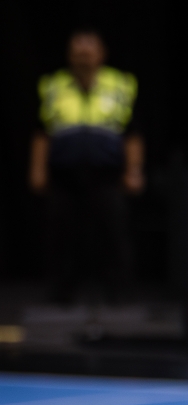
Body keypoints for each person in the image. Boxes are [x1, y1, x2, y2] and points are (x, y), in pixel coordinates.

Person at [29, 30, 143, 304]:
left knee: (113, 234)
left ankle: (118, 294)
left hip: (106, 175)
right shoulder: (52, 85)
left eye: (89, 50)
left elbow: (132, 134)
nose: (83, 55)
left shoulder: (121, 84)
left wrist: (134, 170)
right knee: (61, 236)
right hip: (64, 176)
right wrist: (37, 169)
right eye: (78, 50)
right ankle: (61, 294)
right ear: (69, 55)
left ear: (101, 54)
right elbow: (41, 133)